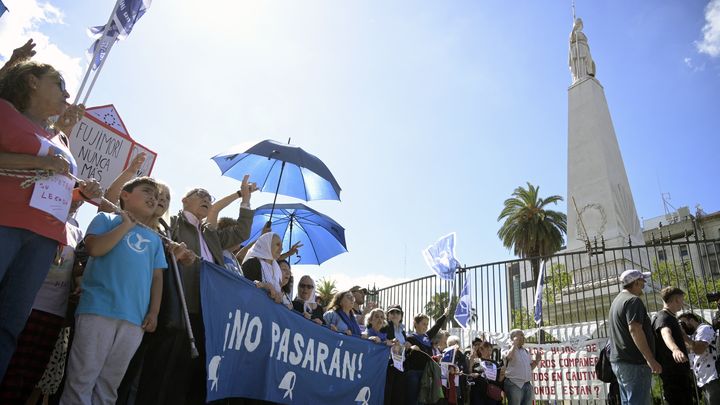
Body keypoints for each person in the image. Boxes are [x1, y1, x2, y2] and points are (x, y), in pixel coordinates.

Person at [0, 60, 101, 379]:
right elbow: (42, 165)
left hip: (43, 240)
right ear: (31, 81)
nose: (67, 93)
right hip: (5, 222)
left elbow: (57, 183)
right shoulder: (5, 112)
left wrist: (81, 192)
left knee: (10, 325)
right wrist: (37, 162)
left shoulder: (62, 141)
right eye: (59, 84)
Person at [59, 177, 167, 404]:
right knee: (82, 379)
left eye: (156, 197)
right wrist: (126, 225)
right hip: (98, 310)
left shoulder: (154, 239)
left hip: (134, 320)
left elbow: (157, 277)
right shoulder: (105, 219)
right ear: (125, 195)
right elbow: (96, 249)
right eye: (147, 191)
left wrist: (154, 312)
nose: (153, 198)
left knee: (109, 386)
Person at [169, 179, 255, 405]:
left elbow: (242, 232)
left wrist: (245, 199)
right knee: (170, 372)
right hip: (179, 306)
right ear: (185, 200)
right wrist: (237, 193)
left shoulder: (211, 235)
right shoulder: (173, 222)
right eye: (201, 195)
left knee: (196, 374)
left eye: (210, 197)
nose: (207, 199)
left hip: (208, 311)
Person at [0, 201, 83, 404]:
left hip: (53, 312)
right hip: (30, 304)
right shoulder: (37, 216)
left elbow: (76, 265)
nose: (77, 198)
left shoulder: (76, 231)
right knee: (11, 362)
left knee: (31, 371)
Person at [608, 269, 661, 405]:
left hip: (621, 361)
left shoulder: (617, 301)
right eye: (643, 281)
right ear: (636, 282)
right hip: (634, 362)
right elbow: (635, 329)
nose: (644, 284)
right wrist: (650, 359)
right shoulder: (633, 301)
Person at [651, 287, 693, 404]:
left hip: (678, 370)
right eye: (682, 299)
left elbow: (679, 336)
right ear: (676, 300)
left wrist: (691, 344)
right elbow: (666, 333)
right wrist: (675, 349)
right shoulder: (664, 317)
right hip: (673, 372)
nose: (683, 303)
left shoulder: (670, 317)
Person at [405, 306, 450, 405]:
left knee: (423, 400)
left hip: (427, 374)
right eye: (423, 324)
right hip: (414, 373)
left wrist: (444, 315)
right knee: (413, 400)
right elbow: (405, 354)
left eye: (427, 324)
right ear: (416, 324)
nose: (426, 326)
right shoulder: (409, 338)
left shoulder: (427, 337)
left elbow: (437, 326)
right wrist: (409, 347)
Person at [678, 312, 720, 404]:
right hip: (703, 379)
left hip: (712, 376)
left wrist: (683, 336)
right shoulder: (693, 335)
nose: (682, 326)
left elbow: (698, 349)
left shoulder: (704, 329)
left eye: (683, 323)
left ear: (691, 320)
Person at [241, 232, 285, 304]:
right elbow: (242, 289)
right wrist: (264, 286)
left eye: (282, 246)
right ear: (266, 244)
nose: (281, 249)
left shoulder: (277, 270)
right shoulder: (252, 263)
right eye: (278, 244)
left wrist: (282, 299)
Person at [501, 329, 540, 405]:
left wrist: (537, 361)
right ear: (514, 337)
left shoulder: (525, 351)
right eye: (521, 335)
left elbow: (530, 368)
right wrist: (514, 345)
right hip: (514, 384)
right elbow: (508, 357)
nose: (523, 337)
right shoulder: (506, 347)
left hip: (527, 385)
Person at [381, 305, 408, 405]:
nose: (395, 315)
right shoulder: (385, 326)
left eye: (398, 312)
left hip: (400, 364)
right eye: (392, 312)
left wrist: (407, 345)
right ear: (387, 315)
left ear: (401, 316)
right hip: (388, 363)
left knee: (399, 393)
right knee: (388, 392)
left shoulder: (403, 331)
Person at [469, 340, 505, 405]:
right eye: (487, 350)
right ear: (481, 350)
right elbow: (469, 375)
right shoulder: (476, 361)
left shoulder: (495, 363)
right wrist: (471, 364)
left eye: (490, 350)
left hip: (492, 394)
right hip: (478, 393)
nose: (489, 352)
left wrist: (502, 374)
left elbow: (499, 380)